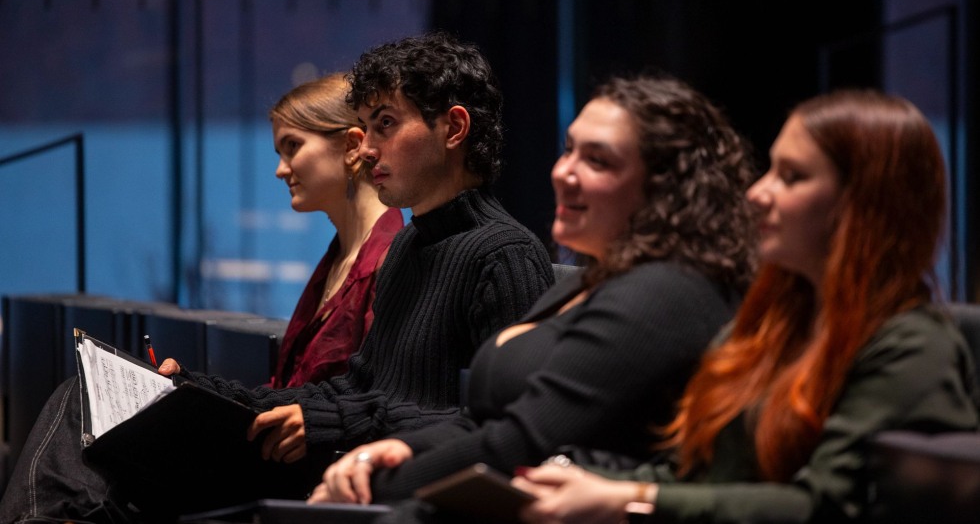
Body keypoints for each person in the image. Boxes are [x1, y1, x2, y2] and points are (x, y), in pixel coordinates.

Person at [0, 31, 554, 523]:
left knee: (101, 443)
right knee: (94, 402)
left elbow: (498, 428)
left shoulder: (504, 253)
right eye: (364, 127)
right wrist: (193, 385)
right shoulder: (413, 243)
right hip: (330, 451)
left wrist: (330, 422)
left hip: (365, 476)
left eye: (385, 124)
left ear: (454, 127)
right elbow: (358, 390)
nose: (370, 148)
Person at [511, 89, 980, 524]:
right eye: (771, 169)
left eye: (791, 177)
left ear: (862, 204)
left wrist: (632, 499)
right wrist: (588, 484)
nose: (757, 193)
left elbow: (826, 505)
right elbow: (694, 481)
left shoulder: (913, 345)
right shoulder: (766, 326)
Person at [306, 74, 758, 516]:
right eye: (568, 151)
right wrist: (388, 451)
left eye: (597, 160)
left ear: (664, 186)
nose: (563, 173)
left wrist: (366, 493)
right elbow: (481, 423)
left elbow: (522, 442)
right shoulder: (597, 280)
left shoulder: (666, 291)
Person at [267, 72, 403, 387]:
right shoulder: (340, 256)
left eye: (293, 146)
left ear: (352, 145)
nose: (280, 170)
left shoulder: (391, 261)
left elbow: (378, 399)